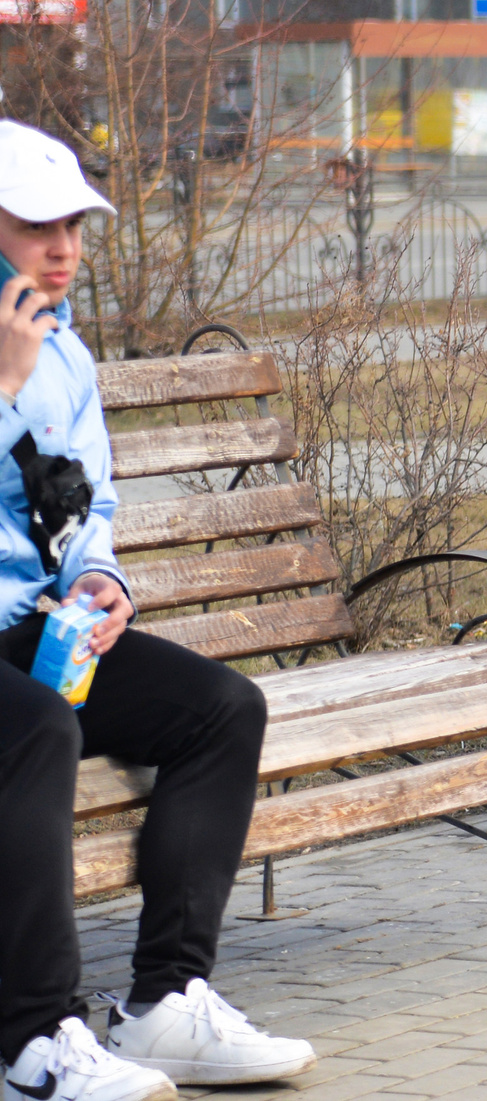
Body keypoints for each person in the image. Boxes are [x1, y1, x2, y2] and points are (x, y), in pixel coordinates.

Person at [0, 123, 317, 1101]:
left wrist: (101, 579)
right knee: (39, 729)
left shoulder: (65, 352)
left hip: (33, 629)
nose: (64, 248)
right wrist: (2, 381)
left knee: (221, 708)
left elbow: (80, 502)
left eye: (74, 226)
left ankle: (165, 1003)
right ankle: (31, 1040)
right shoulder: (23, 354)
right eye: (37, 226)